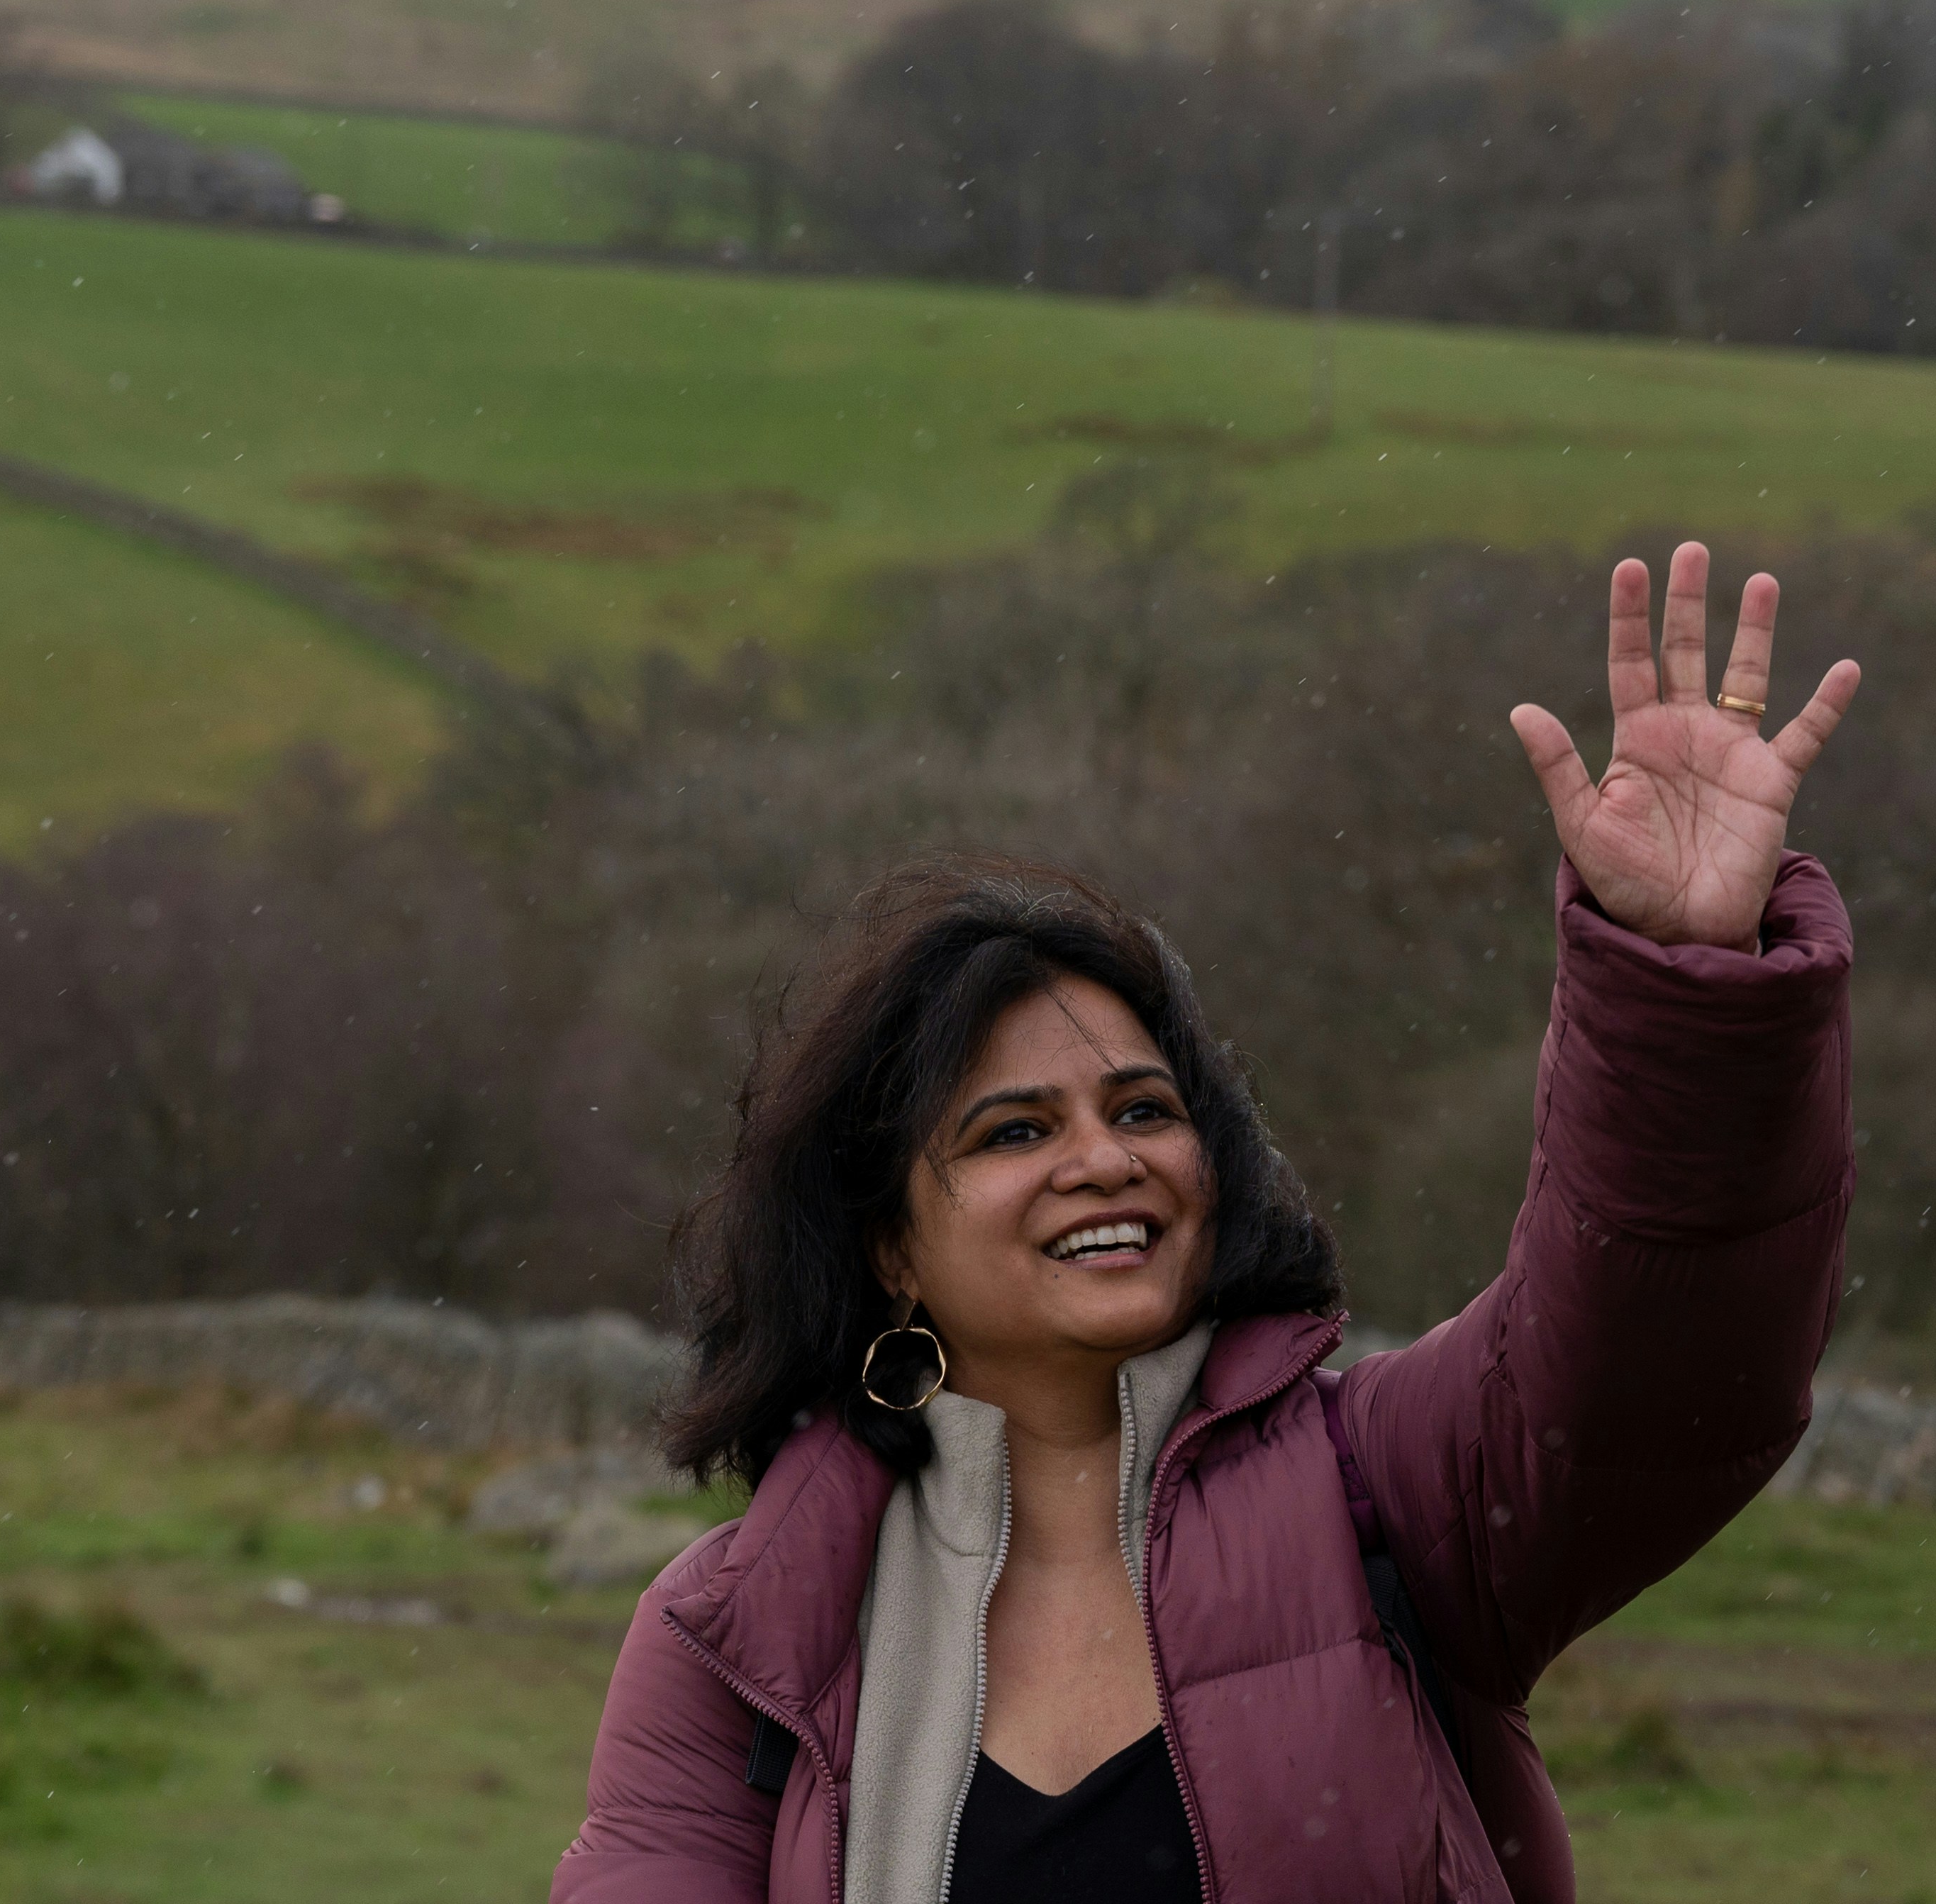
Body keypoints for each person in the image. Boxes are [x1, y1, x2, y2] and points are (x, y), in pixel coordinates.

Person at [552, 542, 1862, 1904]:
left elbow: (1662, 1354)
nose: (1102, 1161)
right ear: (888, 1244)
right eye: (1015, 1131)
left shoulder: (1390, 1490)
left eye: (1141, 1109)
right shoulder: (738, 1633)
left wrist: (1684, 982)